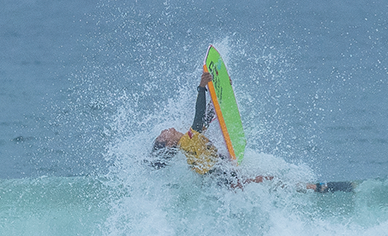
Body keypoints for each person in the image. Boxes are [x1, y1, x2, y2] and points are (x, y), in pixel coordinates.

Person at [149, 70, 355, 193]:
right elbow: (198, 116)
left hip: (221, 176)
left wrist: (221, 93)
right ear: (168, 144)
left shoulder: (188, 142)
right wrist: (201, 89)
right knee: (272, 183)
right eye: (162, 136)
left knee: (273, 183)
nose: (163, 131)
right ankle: (323, 189)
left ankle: (321, 188)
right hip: (224, 182)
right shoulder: (186, 143)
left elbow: (207, 118)